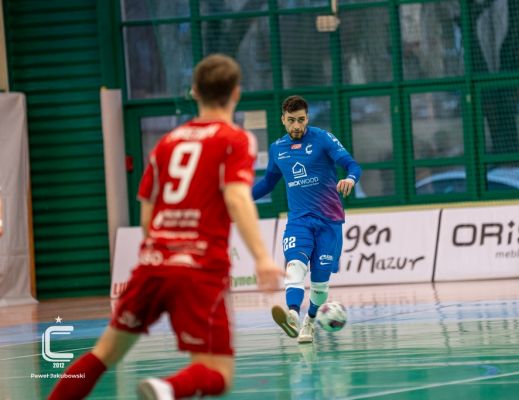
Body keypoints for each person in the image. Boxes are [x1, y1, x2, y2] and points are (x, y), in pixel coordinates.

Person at [48, 54, 282, 400]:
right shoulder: (235, 138)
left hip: (152, 265)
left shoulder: (167, 143)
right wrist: (262, 258)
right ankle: (166, 388)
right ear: (236, 92)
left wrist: (163, 252)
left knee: (103, 354)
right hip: (199, 269)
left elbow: (147, 216)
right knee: (218, 374)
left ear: (195, 91)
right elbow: (237, 197)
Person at [252, 95, 361, 344]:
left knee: (320, 285)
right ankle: (292, 315)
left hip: (329, 222)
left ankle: (310, 322)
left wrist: (350, 179)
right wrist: (240, 199)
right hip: (299, 221)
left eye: (301, 120)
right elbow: (268, 182)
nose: (296, 125)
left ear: (307, 118)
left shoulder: (322, 138)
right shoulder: (277, 149)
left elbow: (352, 164)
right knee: (295, 266)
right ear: (283, 120)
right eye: (291, 120)